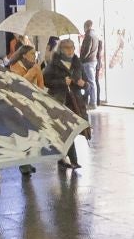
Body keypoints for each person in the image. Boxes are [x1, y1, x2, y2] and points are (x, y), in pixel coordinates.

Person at [42, 38, 87, 171]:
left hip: (75, 102)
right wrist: (62, 82)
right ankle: (72, 160)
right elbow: (46, 81)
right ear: (61, 49)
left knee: (71, 131)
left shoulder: (77, 63)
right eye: (67, 47)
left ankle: (64, 158)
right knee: (67, 131)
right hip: (60, 101)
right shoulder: (54, 64)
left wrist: (84, 84)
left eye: (72, 47)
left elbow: (87, 83)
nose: (70, 50)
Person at [76, 20, 101, 105]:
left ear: (86, 26)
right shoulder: (95, 35)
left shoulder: (88, 36)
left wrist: (80, 59)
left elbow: (86, 50)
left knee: (90, 82)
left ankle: (93, 102)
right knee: (91, 82)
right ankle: (89, 101)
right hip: (93, 61)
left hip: (87, 62)